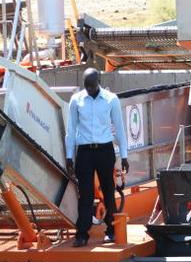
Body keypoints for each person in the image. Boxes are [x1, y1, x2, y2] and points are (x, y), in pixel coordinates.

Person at [65, 68, 129, 247]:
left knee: (108, 191)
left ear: (98, 82)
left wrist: (124, 156)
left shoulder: (111, 99)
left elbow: (120, 129)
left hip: (105, 151)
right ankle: (82, 233)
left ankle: (111, 229)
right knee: (85, 194)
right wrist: (70, 156)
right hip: (84, 151)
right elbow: (71, 130)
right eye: (86, 86)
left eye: (92, 86)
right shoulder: (76, 100)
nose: (90, 90)